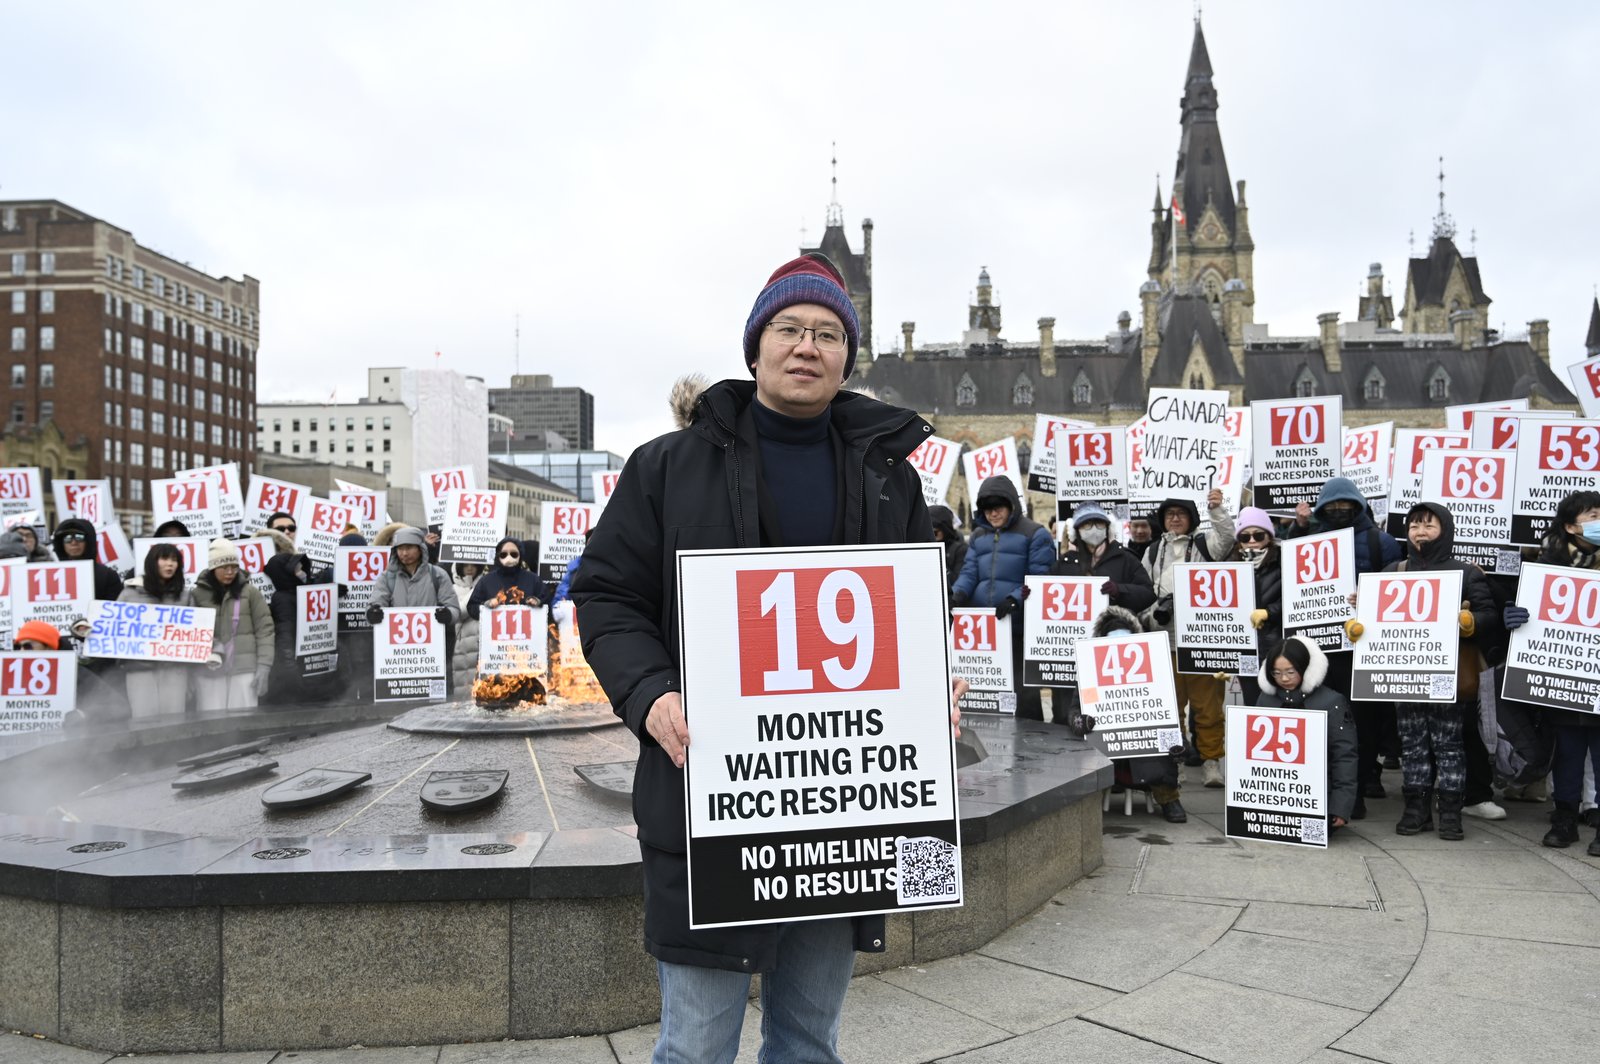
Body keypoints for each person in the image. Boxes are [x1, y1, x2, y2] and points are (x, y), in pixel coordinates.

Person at [571, 252, 959, 1064]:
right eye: (788, 329)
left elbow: (912, 616)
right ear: (755, 348)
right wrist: (649, 694)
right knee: (695, 1044)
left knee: (810, 1041)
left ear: (849, 355)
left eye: (827, 332)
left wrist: (930, 689)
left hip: (842, 813)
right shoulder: (664, 467)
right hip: (708, 796)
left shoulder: (892, 479)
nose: (806, 346)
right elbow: (607, 598)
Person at [1348, 502, 1498, 841]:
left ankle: (1449, 812)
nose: (1420, 531)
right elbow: (1372, 621)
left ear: (1445, 530)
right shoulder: (1391, 572)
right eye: (1414, 525)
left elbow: (1490, 615)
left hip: (1447, 677)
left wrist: (1471, 623)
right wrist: (1360, 620)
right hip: (1405, 677)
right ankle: (1416, 808)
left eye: (1428, 525)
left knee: (1449, 744)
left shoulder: (1465, 572)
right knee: (1412, 743)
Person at [1286, 476, 1405, 803]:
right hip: (1321, 646)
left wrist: (1366, 599)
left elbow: (1393, 591)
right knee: (1325, 715)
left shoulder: (1382, 542)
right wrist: (1297, 529)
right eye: (1332, 506)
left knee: (1366, 719)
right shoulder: (1310, 538)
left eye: (1345, 505)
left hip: (1365, 647)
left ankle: (1364, 779)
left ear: (1358, 505)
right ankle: (1333, 783)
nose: (1339, 510)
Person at [1507, 490, 1600, 851]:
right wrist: (1514, 616)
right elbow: (1523, 608)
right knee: (1568, 752)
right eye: (1592, 515)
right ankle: (1564, 818)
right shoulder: (1545, 567)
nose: (1597, 522)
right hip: (1562, 679)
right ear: (1571, 525)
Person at [1142, 491, 1236, 787]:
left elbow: (1227, 538)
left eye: (1180, 514)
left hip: (1200, 640)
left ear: (1192, 518)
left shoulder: (1203, 543)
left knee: (1208, 707)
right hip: (1164, 640)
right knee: (1171, 708)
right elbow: (1145, 589)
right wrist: (1150, 615)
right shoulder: (1154, 549)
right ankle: (1175, 762)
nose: (1175, 519)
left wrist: (1217, 509)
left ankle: (1211, 761)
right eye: (1169, 514)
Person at [952, 474, 1056, 719]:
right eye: (987, 509)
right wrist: (956, 595)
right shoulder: (978, 536)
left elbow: (1039, 579)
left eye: (997, 508)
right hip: (985, 631)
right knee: (987, 696)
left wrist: (1014, 599)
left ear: (1011, 505)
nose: (992, 514)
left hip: (1018, 628)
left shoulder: (1035, 534)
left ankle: (1034, 745)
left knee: (1024, 694)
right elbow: (969, 572)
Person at [1048, 503, 1156, 729]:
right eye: (1087, 525)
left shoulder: (1125, 559)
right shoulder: (1065, 563)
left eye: (1098, 524)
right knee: (1066, 706)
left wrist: (1120, 590)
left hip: (1112, 647)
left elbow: (1148, 593)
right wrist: (1032, 595)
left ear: (1108, 528)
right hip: (1072, 646)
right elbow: (1047, 598)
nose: (1093, 529)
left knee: (1106, 702)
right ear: (1077, 531)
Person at [1254, 636, 1358, 831]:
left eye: (1290, 672)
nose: (1284, 679)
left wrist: (1340, 807)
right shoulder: (1266, 699)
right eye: (1276, 673)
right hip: (1272, 797)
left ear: (1304, 668)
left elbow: (1344, 756)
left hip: (1316, 798)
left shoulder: (1332, 702)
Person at [366, 526, 460, 689]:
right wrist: (373, 613)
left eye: (408, 548)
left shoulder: (437, 575)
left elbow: (453, 609)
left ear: (420, 548)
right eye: (400, 549)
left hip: (431, 653)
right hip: (398, 654)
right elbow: (375, 603)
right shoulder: (387, 578)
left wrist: (447, 615)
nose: (404, 553)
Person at [189, 538, 275, 712]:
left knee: (244, 722)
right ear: (213, 567)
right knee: (211, 722)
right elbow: (191, 634)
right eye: (224, 567)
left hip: (244, 669)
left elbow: (265, 630)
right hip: (209, 670)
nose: (230, 572)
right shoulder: (196, 595)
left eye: (234, 567)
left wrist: (264, 666)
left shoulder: (251, 593)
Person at [117, 543, 196, 719]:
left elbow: (196, 633)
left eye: (175, 560)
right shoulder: (129, 595)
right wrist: (84, 630)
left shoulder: (185, 596)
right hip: (140, 670)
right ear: (153, 562)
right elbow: (111, 628)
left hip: (175, 670)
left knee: (173, 722)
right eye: (165, 559)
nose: (170, 564)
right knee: (144, 722)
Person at [1227, 508, 1282, 708]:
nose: (1251, 540)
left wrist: (1270, 612)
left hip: (1278, 647)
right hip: (1246, 651)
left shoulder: (1284, 561)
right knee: (1252, 704)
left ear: (1269, 535)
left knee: (1281, 703)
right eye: (1245, 536)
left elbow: (1298, 601)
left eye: (1258, 534)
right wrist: (1222, 659)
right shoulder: (1229, 565)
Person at [51, 518, 124, 602]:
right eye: (67, 538)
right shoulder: (49, 576)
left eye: (79, 537)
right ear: (60, 543)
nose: (74, 542)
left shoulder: (107, 576)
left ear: (89, 541)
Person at [451, 561, 485, 693]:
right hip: (462, 644)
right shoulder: (453, 588)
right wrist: (476, 590)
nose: (470, 568)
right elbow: (459, 612)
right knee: (463, 685)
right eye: (465, 565)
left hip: (481, 641)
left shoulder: (485, 585)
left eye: (474, 564)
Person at [928, 504, 967, 593]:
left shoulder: (960, 550)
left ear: (945, 530)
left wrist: (937, 559)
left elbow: (955, 580)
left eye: (935, 532)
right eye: (928, 532)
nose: (931, 536)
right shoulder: (923, 549)